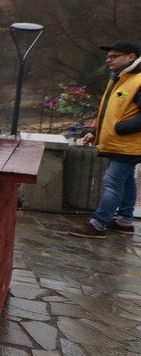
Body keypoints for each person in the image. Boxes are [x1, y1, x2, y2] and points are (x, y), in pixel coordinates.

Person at [68, 40, 141, 238]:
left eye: (113, 56)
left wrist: (120, 128)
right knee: (125, 181)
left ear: (131, 57)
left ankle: (98, 224)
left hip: (129, 144)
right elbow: (111, 112)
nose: (108, 60)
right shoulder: (119, 78)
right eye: (108, 56)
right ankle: (125, 220)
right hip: (121, 143)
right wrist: (97, 133)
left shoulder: (138, 80)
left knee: (112, 181)